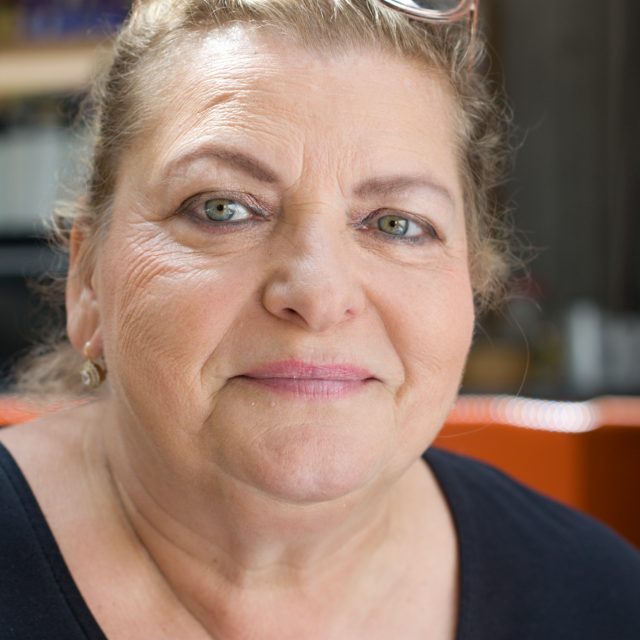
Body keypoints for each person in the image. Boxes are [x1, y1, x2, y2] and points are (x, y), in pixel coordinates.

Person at [1, 1, 639, 638]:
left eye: (397, 224)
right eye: (222, 209)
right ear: (88, 284)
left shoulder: (599, 600)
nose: (318, 294)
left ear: (472, 289)